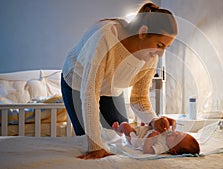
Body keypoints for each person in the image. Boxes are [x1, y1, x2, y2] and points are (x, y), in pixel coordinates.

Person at [61, 2, 178, 159]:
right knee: (91, 143)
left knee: (122, 137)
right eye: (159, 45)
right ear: (143, 32)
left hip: (110, 88)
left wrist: (154, 121)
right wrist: (95, 146)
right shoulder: (105, 37)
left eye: (166, 48)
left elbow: (139, 98)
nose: (161, 54)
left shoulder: (151, 57)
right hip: (78, 84)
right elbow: (90, 92)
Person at [112, 121, 200, 155]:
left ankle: (119, 130)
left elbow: (147, 151)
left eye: (176, 137)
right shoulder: (168, 137)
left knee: (125, 125)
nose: (174, 133)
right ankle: (141, 127)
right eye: (178, 132)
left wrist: (150, 138)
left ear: (173, 150)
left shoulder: (162, 147)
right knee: (144, 124)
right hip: (144, 133)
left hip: (138, 141)